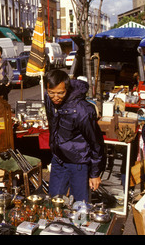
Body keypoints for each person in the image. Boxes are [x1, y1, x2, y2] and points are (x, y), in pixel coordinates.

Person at [43, 69, 105, 202]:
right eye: (51, 93)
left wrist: (95, 173)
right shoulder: (48, 99)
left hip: (78, 162)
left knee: (79, 207)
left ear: (67, 88)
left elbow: (96, 143)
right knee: (54, 202)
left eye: (60, 93)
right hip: (58, 158)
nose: (55, 97)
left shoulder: (82, 110)